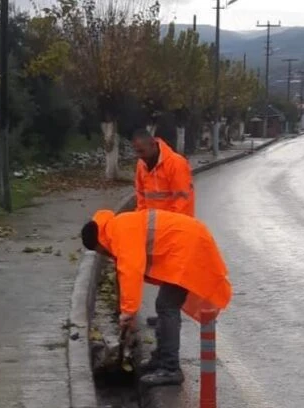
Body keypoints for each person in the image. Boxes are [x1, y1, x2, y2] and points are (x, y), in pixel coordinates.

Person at [81, 208, 233, 387]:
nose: (104, 254)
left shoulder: (120, 232)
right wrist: (124, 309)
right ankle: (162, 358)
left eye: (101, 251)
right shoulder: (116, 229)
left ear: (99, 242)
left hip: (188, 247)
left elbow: (130, 270)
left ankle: (170, 369)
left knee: (167, 306)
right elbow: (123, 272)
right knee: (165, 304)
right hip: (185, 244)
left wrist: (128, 312)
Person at [131, 129, 196, 327]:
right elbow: (142, 199)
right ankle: (166, 316)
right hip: (155, 230)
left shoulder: (175, 163)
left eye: (142, 151)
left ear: (153, 144)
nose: (140, 156)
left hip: (175, 231)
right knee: (164, 275)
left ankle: (169, 318)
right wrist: (139, 226)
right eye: (136, 152)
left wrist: (171, 230)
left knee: (172, 278)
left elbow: (182, 201)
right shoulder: (142, 165)